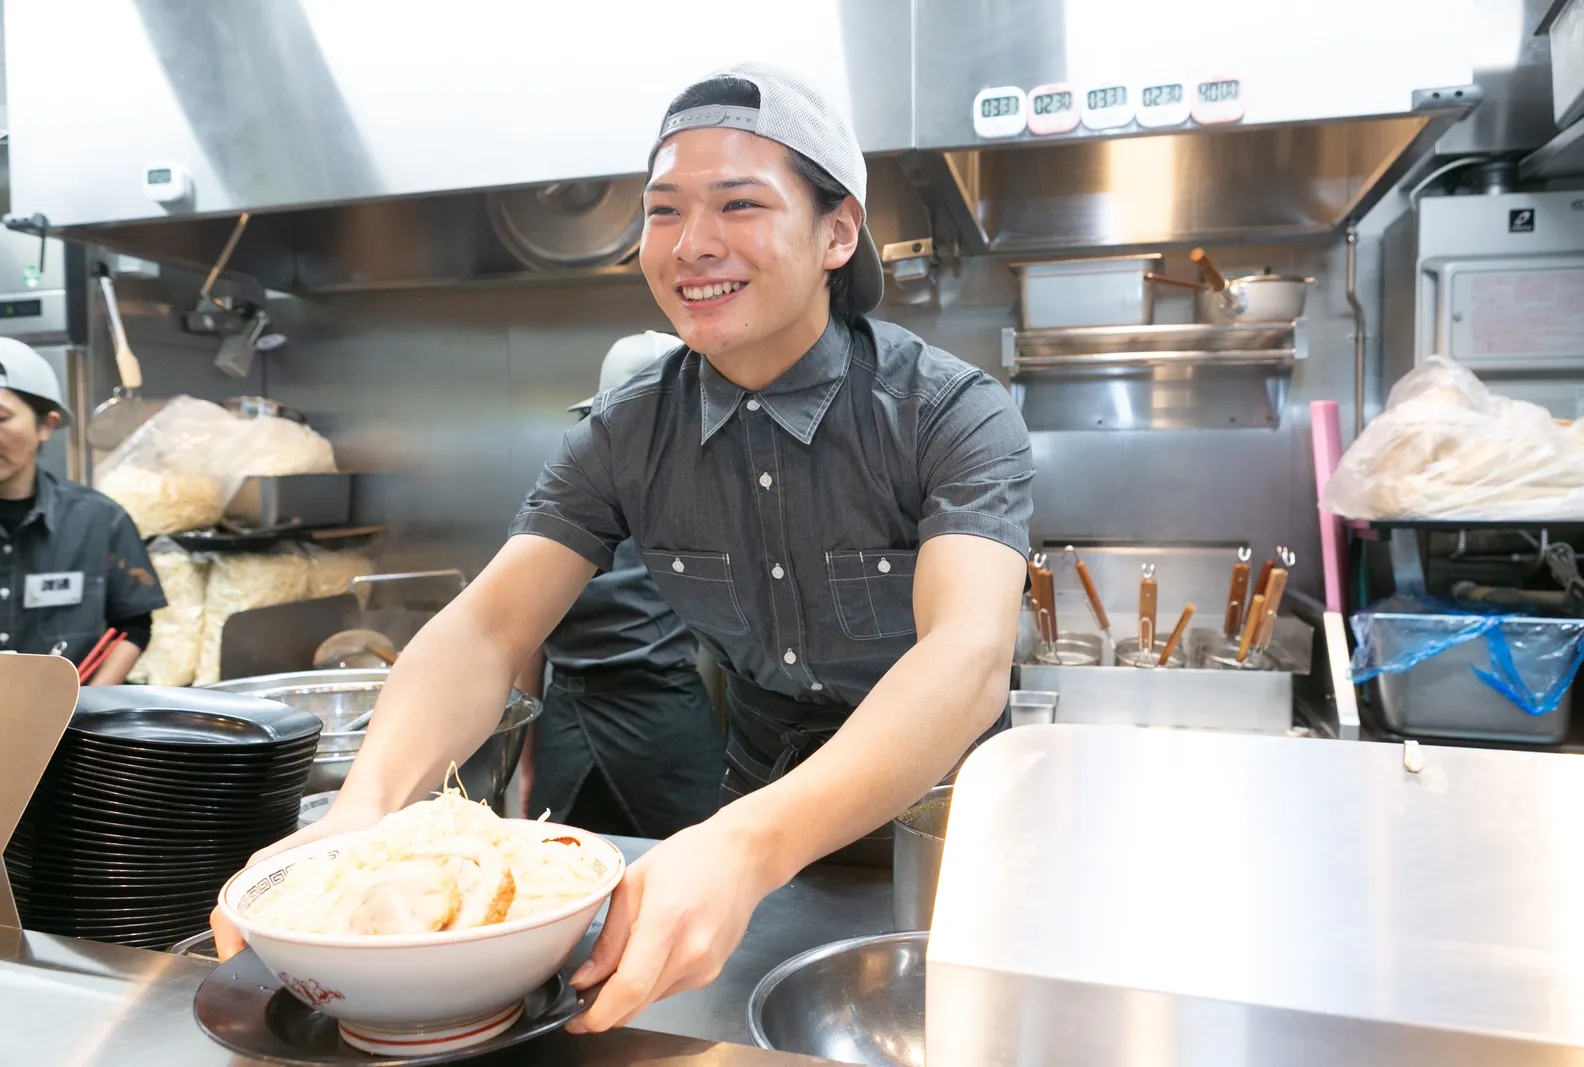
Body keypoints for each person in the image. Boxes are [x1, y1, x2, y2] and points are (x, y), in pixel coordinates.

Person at [214, 62, 1033, 1033]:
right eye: (663, 210)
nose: (693, 244)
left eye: (738, 203)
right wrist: (359, 813)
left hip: (943, 830)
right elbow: (487, 626)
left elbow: (966, 657)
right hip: (752, 816)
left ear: (837, 232)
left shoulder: (949, 411)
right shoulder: (626, 430)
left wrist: (743, 845)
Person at [516, 330, 726, 839]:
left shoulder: (555, 495)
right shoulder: (711, 496)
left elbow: (524, 641)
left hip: (594, 729)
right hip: (642, 729)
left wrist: (528, 759)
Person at [0, 338, 165, 682]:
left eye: (1, 418)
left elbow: (133, 626)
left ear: (46, 425)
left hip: (69, 726)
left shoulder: (97, 519)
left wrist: (84, 705)